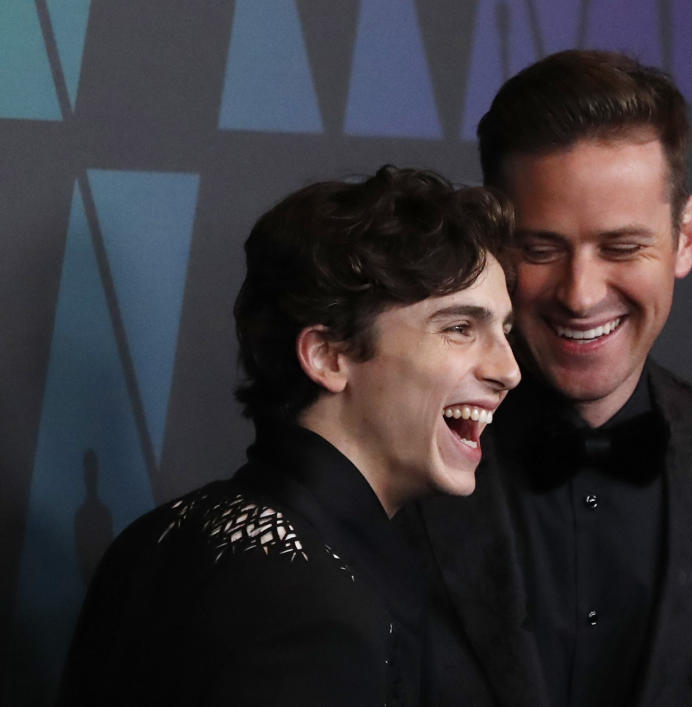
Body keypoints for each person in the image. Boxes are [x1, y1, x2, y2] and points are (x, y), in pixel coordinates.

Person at [401, 50, 692, 706]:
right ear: (491, 244)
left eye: (623, 248)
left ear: (686, 237)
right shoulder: (400, 453)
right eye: (541, 249)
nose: (580, 294)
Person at [57, 166, 521, 706]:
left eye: (505, 331)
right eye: (460, 328)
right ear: (328, 355)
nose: (508, 369)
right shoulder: (316, 604)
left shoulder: (155, 536)